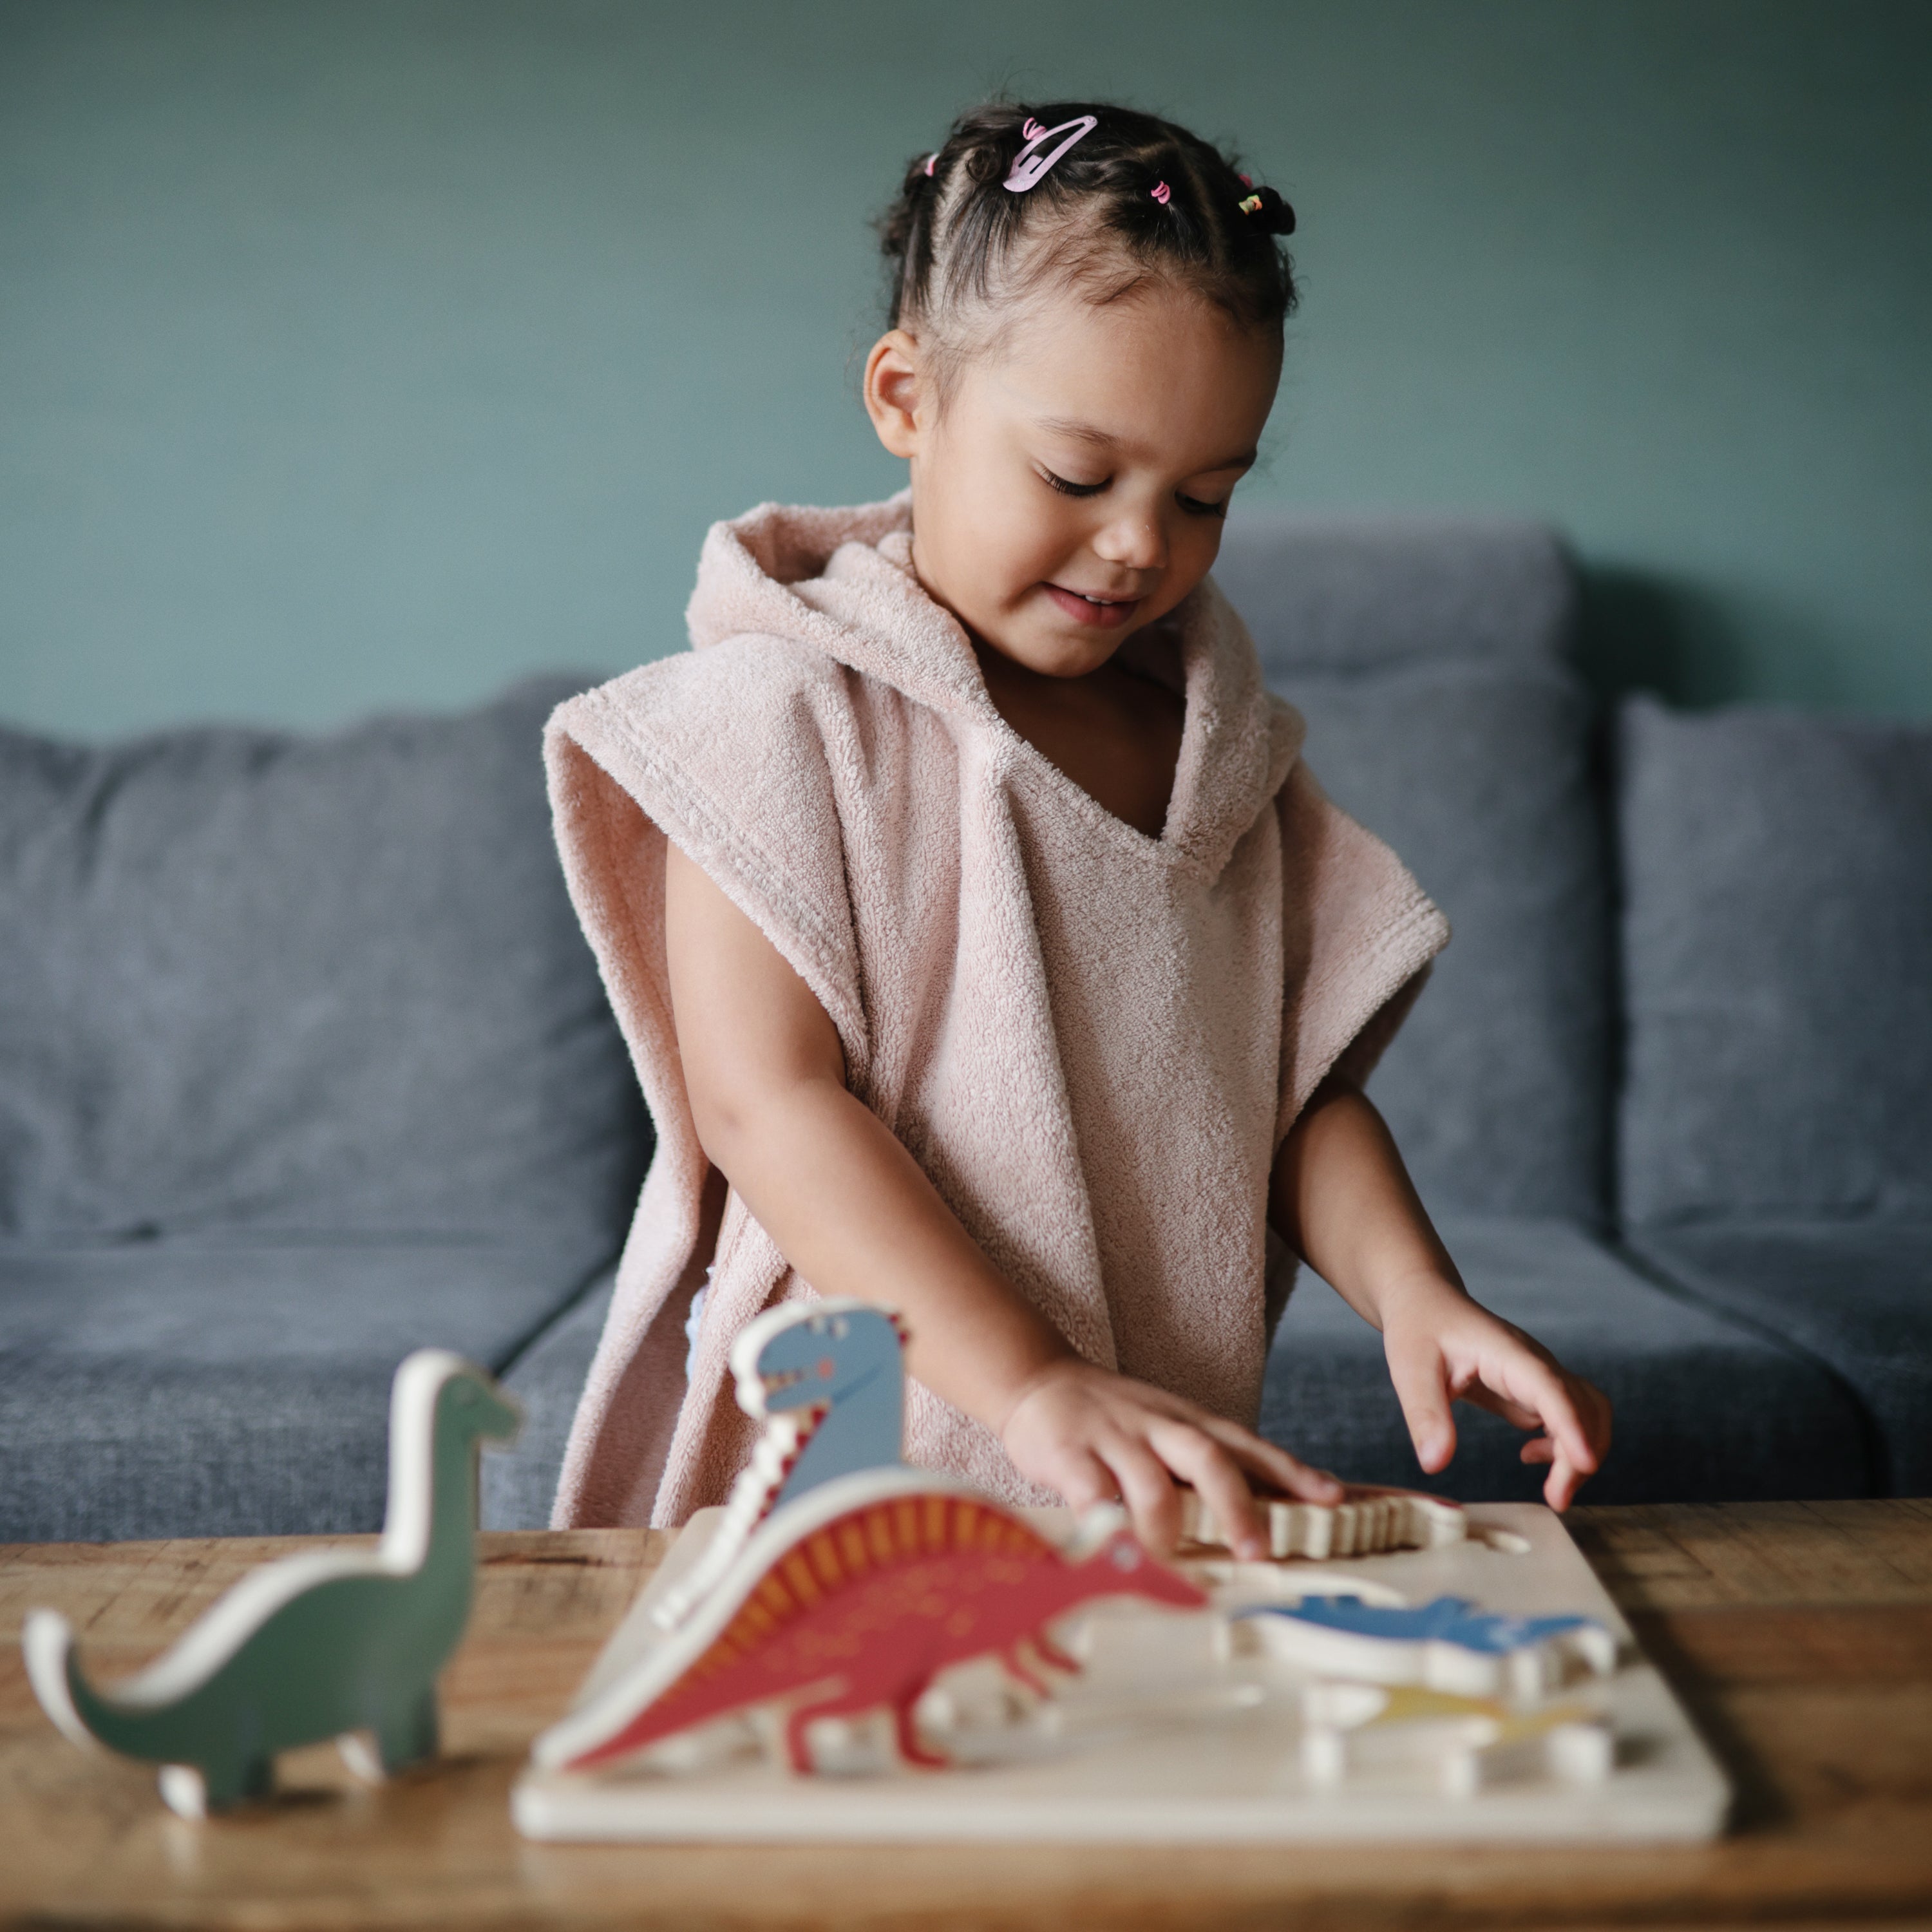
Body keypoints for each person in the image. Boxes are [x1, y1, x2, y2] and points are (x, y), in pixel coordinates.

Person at [544, 102, 1611, 1558]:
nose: (1139, 545)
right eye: (1077, 476)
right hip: (862, 1455)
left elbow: (1297, 1101)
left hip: (1135, 1461)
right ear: (908, 397)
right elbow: (767, 1104)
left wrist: (1418, 1294)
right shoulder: (774, 722)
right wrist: (1028, 1378)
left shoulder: (1216, 760)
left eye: (1206, 497)